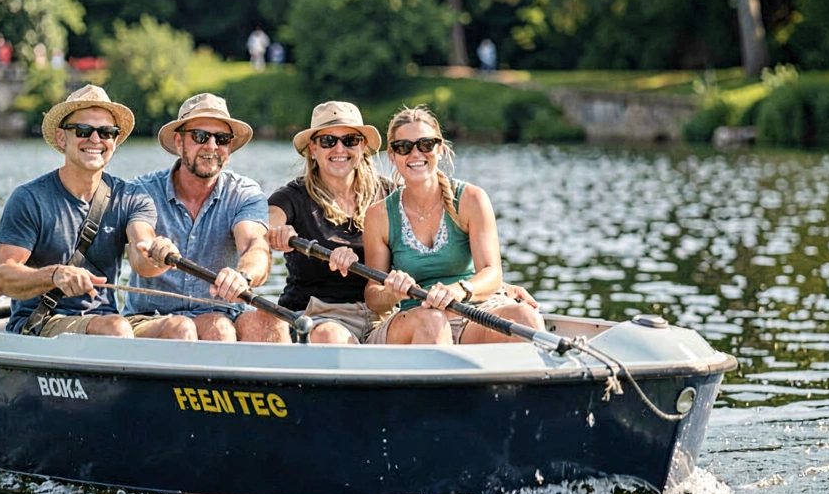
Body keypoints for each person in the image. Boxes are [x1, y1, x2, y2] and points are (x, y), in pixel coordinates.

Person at [0, 85, 190, 339]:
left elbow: (142, 253)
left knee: (181, 328)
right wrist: (55, 275)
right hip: (42, 323)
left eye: (106, 132)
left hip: (109, 323)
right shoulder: (29, 198)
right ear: (62, 138)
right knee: (116, 328)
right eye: (83, 130)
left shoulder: (132, 197)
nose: (95, 140)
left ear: (114, 141)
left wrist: (158, 253)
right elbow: (1, 278)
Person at [363, 105, 542, 345]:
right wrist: (390, 293)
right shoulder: (379, 215)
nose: (415, 154)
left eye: (426, 144)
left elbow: (492, 273)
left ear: (440, 150)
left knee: (526, 318)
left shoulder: (472, 199)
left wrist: (459, 290)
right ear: (392, 156)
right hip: (416, 319)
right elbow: (373, 297)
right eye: (404, 147)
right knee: (433, 322)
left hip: (473, 311)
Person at [125, 93, 271, 341]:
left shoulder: (245, 193)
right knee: (207, 329)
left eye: (222, 139)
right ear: (179, 142)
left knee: (268, 324)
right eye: (200, 136)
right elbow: (140, 256)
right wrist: (157, 255)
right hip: (150, 319)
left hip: (223, 316)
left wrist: (243, 276)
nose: (212, 146)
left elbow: (255, 246)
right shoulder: (141, 190)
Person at [253, 101, 392, 344]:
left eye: (350, 140)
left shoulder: (390, 194)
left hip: (380, 315)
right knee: (330, 336)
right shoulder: (292, 196)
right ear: (313, 149)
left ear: (362, 146)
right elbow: (263, 226)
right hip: (315, 318)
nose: (339, 148)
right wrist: (276, 232)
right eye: (328, 141)